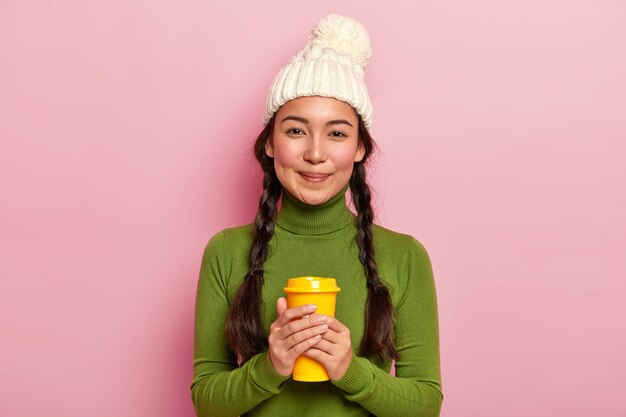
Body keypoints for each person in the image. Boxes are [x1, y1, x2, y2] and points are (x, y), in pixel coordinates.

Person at [191, 14, 443, 417]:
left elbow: (425, 405)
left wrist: (349, 370)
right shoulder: (226, 251)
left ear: (361, 148)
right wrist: (270, 366)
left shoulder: (405, 256)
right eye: (295, 131)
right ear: (270, 143)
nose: (315, 153)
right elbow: (207, 402)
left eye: (337, 133)